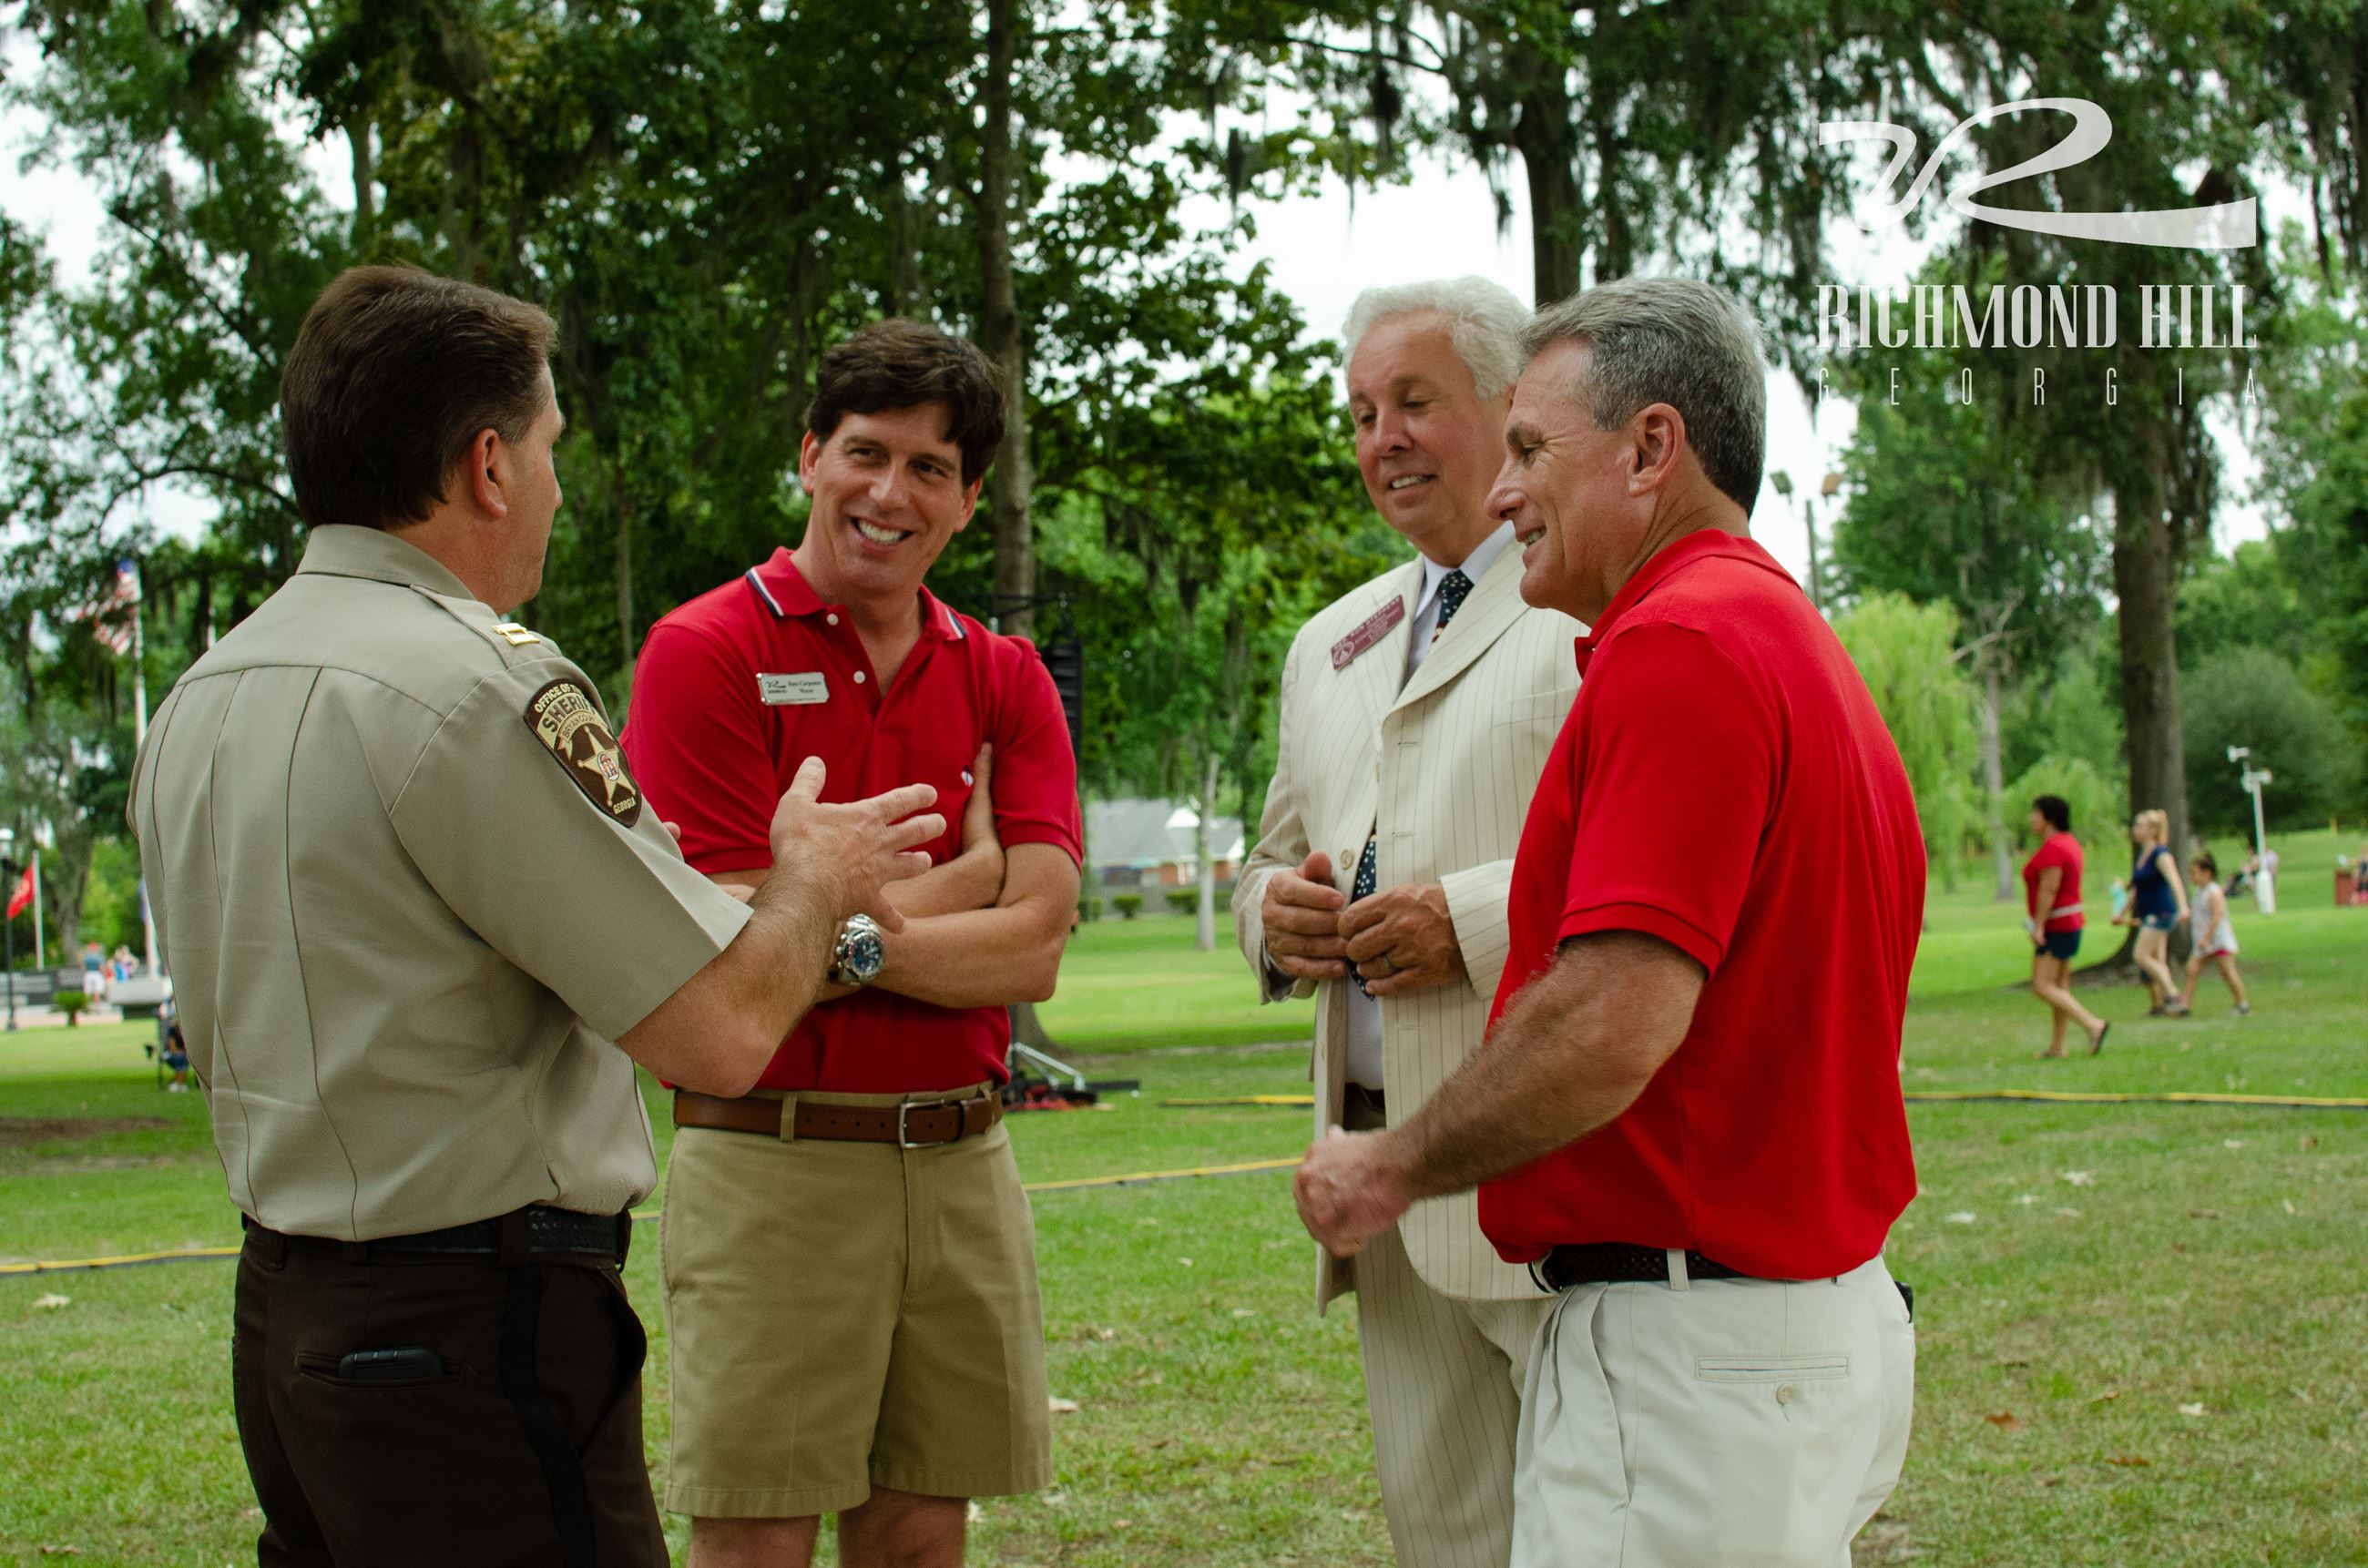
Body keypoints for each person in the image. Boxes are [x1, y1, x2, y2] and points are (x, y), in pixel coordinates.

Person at [128, 264, 944, 1568]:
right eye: (553, 448)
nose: (559, 489)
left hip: (288, 1309)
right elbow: (719, 1028)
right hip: (466, 1325)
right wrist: (819, 876)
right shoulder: (470, 686)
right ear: (489, 464)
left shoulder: (204, 693)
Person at [1292, 276, 1921, 1567]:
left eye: (1530, 449)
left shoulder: (1681, 641)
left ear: (1651, 449)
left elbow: (1613, 1012)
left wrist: (1396, 1161)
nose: (1507, 493)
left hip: (1689, 1348)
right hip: (1779, 1326)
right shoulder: (1775, 630)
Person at [620, 319, 1082, 1568]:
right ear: (811, 453)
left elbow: (1038, 944)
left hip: (962, 1157)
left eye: (931, 468)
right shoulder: (705, 651)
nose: (891, 493)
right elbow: (723, 957)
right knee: (757, 1535)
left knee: (926, 1534)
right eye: (867, 453)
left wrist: (833, 919)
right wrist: (966, 880)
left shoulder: (1003, 674)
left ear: (970, 500)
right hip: (773, 1161)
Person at [1232, 277, 1582, 1568]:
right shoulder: (1330, 641)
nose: (1383, 437)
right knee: (1446, 1539)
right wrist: (1278, 912)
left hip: (1555, 1169)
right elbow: (1264, 858)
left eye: (1415, 402)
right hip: (1384, 1186)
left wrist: (1472, 921)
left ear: (1508, 402)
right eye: (1364, 410)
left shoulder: (1592, 600)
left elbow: (1642, 846)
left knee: (1595, 1532)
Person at [2024, 796, 2108, 1058]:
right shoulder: (2070, 844)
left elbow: (2049, 889)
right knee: (2060, 985)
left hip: (2057, 924)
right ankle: (2058, 1046)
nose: (2031, 819)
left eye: (2035, 813)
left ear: (2048, 817)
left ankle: (2093, 1024)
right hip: (2072, 922)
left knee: (2042, 985)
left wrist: (2038, 926)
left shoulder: (2054, 849)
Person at [2127, 808, 2191, 1015]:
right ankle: (2163, 1005)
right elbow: (2137, 889)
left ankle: (2173, 994)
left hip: (2161, 912)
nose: (2134, 829)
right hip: (2147, 913)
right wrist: (2122, 912)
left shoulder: (2161, 855)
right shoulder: (2142, 855)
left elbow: (2175, 882)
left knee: (2141, 955)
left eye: (2139, 825)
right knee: (2158, 959)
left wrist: (2183, 906)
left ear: (2152, 829)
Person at [2180, 852, 2251, 1014]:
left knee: (2227, 971)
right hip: (2203, 941)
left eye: (2194, 873)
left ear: (2207, 873)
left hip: (2218, 940)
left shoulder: (2214, 892)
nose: (2192, 876)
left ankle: (2242, 1004)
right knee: (2191, 969)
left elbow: (2217, 915)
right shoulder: (2199, 892)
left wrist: (2206, 937)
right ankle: (2185, 1006)